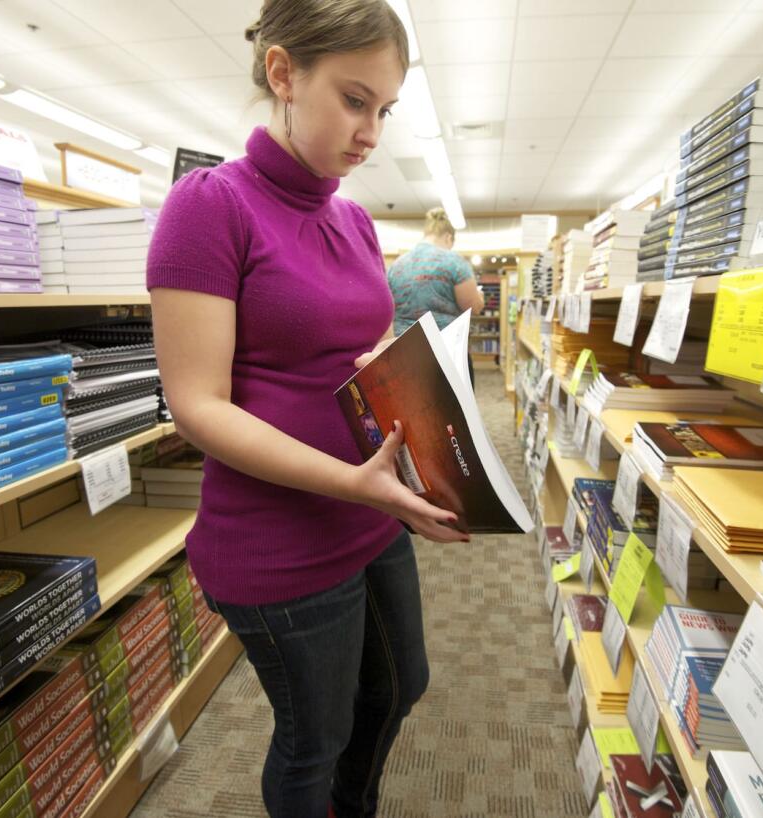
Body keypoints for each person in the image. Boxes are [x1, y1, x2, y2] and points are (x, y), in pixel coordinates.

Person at [145, 3, 464, 816]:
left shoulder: (354, 219)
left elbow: (354, 341)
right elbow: (195, 405)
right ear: (284, 74)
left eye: (385, 110)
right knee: (312, 737)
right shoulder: (210, 205)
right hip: (276, 541)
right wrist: (354, 481)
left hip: (369, 513)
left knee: (399, 689)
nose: (372, 132)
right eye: (355, 101)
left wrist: (391, 374)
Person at [387, 208, 485, 382]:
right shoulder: (454, 262)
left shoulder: (396, 266)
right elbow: (473, 307)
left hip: (403, 352)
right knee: (454, 407)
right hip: (446, 353)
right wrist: (480, 297)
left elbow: (388, 309)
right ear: (448, 237)